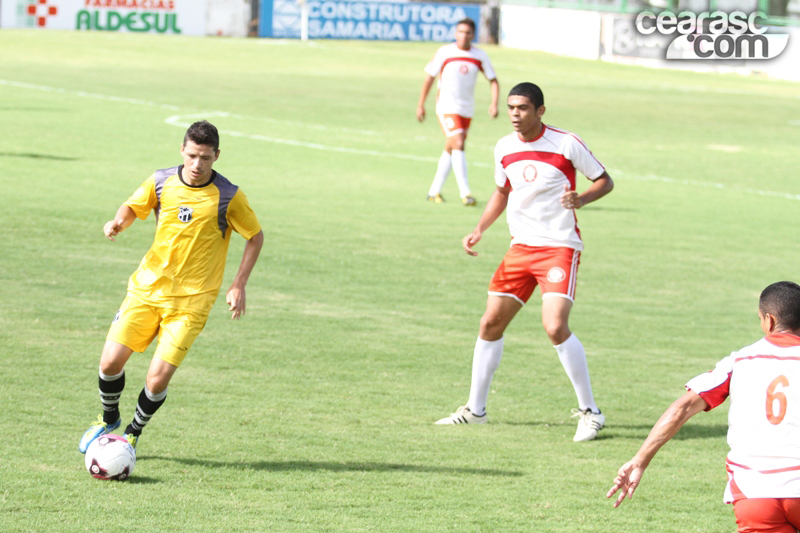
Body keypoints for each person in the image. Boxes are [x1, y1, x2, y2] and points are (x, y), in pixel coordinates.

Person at [435, 82, 614, 442]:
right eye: (511, 108)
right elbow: (502, 192)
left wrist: (582, 199)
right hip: (520, 249)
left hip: (558, 247)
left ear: (540, 111)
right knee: (489, 324)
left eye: (523, 108)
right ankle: (475, 410)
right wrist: (479, 228)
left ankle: (591, 412)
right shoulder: (504, 147)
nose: (515, 115)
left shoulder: (566, 144)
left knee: (554, 326)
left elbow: (605, 181)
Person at [78, 120, 264, 453]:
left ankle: (132, 434)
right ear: (182, 149)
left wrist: (239, 284)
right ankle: (108, 419)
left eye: (205, 158)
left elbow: (255, 236)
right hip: (147, 289)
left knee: (157, 379)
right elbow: (133, 206)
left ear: (216, 156)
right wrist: (118, 222)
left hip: (192, 302)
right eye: (192, 155)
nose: (197, 164)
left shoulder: (228, 196)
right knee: (109, 364)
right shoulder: (161, 180)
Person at [608, 281, 800, 532]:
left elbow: (682, 407)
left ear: (769, 320)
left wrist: (640, 460)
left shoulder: (740, 360)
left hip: (754, 493)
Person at [416, 17, 499, 206]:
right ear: (455, 33)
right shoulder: (445, 52)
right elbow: (429, 78)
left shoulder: (479, 55)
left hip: (467, 109)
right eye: (460, 32)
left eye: (468, 32)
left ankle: (433, 191)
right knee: (459, 143)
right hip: (446, 106)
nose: (464, 35)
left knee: (451, 147)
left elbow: (493, 80)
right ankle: (466, 193)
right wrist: (421, 103)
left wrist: (494, 103)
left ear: (473, 35)